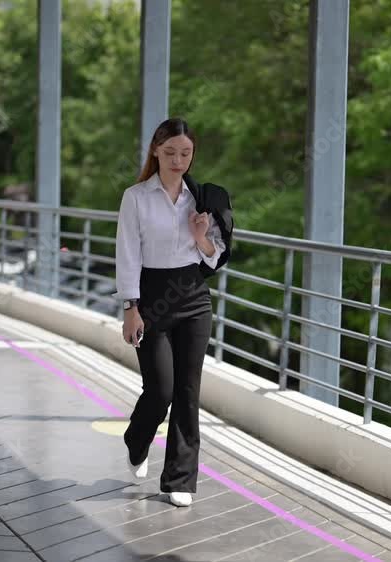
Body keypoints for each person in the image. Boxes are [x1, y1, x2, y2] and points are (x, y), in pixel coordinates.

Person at [114, 117, 226, 507]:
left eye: (185, 153)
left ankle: (180, 479)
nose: (178, 161)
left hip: (194, 297)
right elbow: (128, 253)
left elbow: (214, 257)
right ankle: (137, 439)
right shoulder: (136, 197)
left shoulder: (203, 199)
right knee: (160, 390)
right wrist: (130, 308)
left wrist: (201, 238)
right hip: (151, 298)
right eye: (170, 153)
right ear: (156, 152)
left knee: (187, 392)